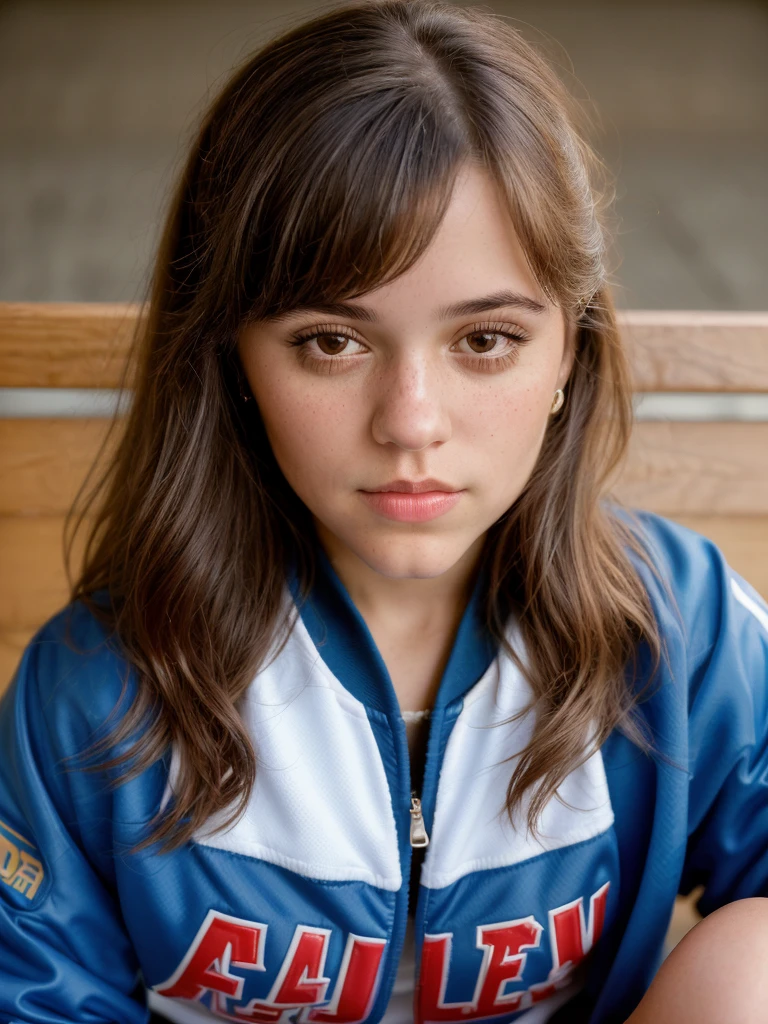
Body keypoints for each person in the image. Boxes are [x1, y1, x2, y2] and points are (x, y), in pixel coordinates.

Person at [1, 1, 767, 1021]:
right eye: (331, 341)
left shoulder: (685, 632)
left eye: (485, 339)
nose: (411, 423)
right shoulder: (97, 687)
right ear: (234, 356)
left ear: (569, 352)